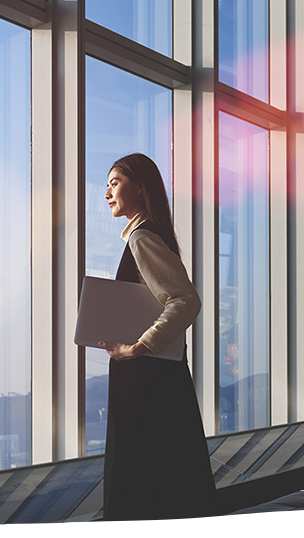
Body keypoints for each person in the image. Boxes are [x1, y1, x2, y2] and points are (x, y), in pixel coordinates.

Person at [97, 152, 216, 521]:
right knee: (166, 475)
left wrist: (139, 346)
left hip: (145, 378)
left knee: (145, 474)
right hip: (154, 375)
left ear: (140, 187)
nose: (107, 194)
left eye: (114, 183)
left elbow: (185, 300)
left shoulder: (142, 238)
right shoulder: (148, 235)